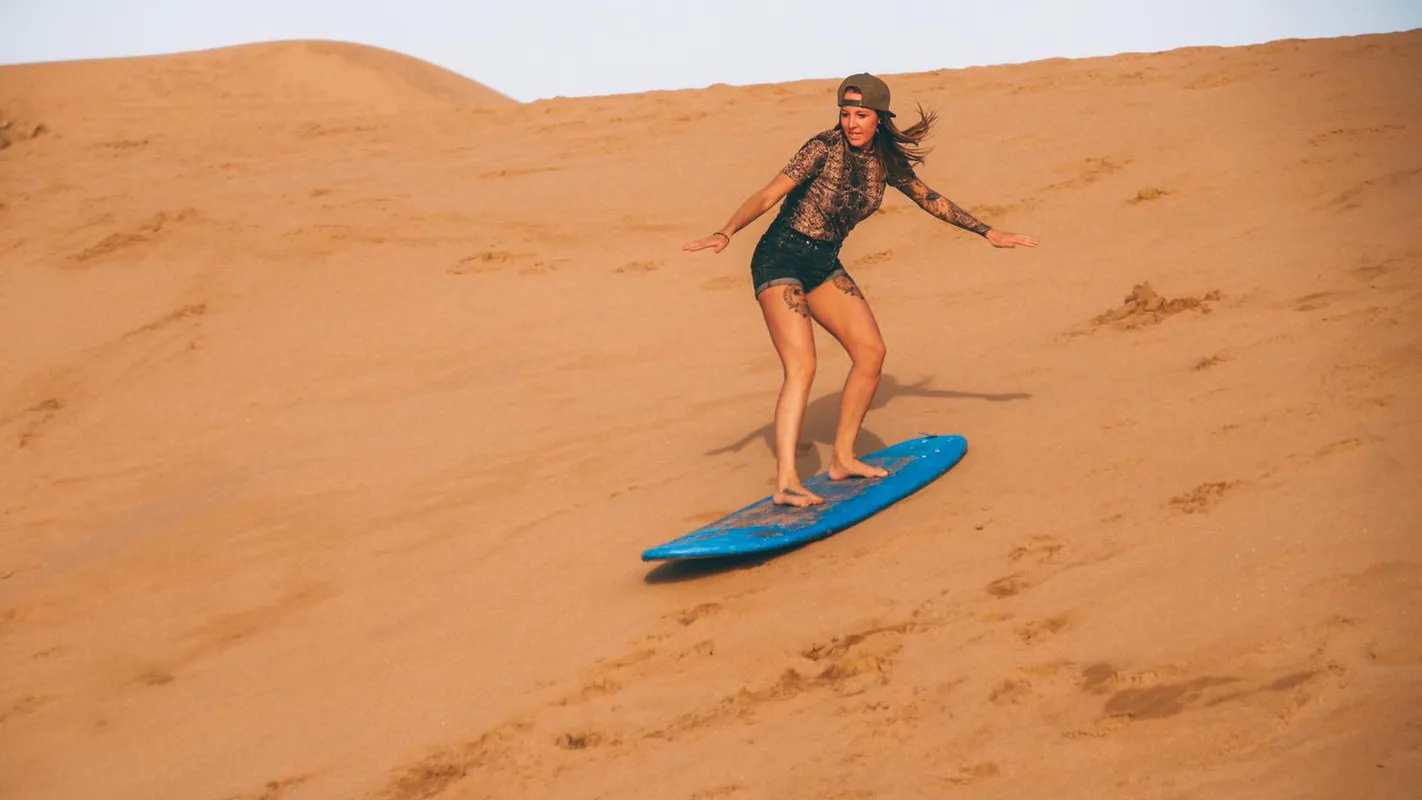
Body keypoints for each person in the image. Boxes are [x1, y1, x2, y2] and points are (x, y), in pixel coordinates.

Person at [683, 73, 1039, 508]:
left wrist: (988, 232)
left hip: (823, 263)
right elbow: (769, 195)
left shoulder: (885, 160)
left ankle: (843, 458)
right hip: (780, 258)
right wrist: (726, 231)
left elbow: (929, 198)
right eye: (846, 113)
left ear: (880, 119)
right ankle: (787, 482)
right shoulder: (823, 147)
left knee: (870, 353)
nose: (852, 123)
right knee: (802, 367)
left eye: (862, 115)